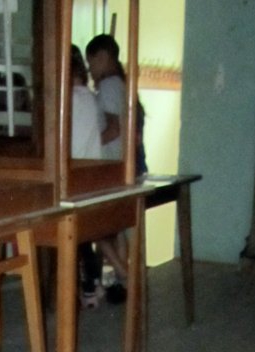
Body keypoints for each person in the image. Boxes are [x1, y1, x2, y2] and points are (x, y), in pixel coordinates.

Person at [85, 33, 148, 304]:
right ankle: (125, 279)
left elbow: (113, 129)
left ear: (102, 57)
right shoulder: (122, 84)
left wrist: (89, 144)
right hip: (124, 165)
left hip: (111, 166)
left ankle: (126, 275)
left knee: (94, 226)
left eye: (91, 62)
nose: (90, 69)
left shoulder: (110, 86)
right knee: (119, 228)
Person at [70, 44, 105, 309]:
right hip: (92, 174)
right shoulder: (92, 98)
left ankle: (89, 287)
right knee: (85, 241)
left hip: (74, 175)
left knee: (79, 241)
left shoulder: (68, 100)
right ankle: (93, 284)